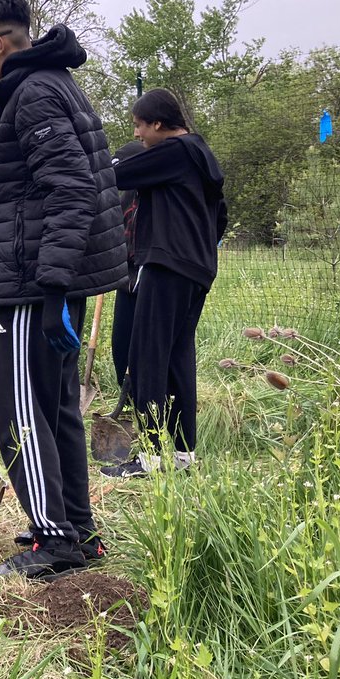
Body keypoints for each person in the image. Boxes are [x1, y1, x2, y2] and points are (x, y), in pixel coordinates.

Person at [0, 0, 127, 581]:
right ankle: (76, 532)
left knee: (19, 412)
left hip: (34, 284)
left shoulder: (31, 95)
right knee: (56, 409)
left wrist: (53, 286)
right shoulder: (49, 83)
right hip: (41, 280)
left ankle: (53, 541)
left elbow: (73, 189)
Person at [101, 88, 227, 478]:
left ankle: (151, 460)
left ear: (158, 123)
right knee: (177, 360)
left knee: (147, 360)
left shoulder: (174, 152)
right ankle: (184, 456)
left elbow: (115, 174)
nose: (138, 134)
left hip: (167, 265)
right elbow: (219, 218)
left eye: (139, 125)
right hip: (197, 270)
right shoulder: (201, 155)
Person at [110, 140, 146, 398]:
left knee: (144, 346)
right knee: (120, 344)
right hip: (126, 279)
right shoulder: (125, 198)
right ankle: (127, 398)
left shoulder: (155, 196)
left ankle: (147, 402)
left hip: (150, 279)